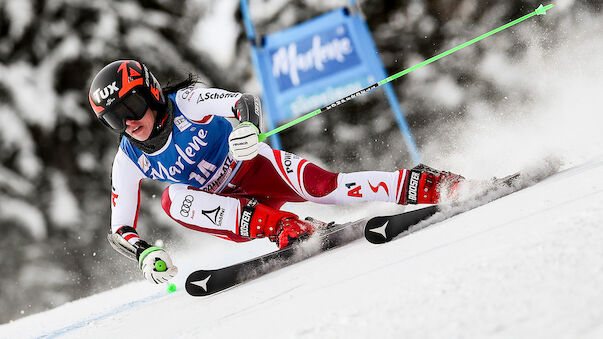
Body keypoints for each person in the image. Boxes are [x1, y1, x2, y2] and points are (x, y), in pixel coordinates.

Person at [88, 60, 464, 284]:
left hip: (255, 168)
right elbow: (120, 228)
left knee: (324, 187)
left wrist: (249, 128)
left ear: (152, 93)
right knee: (173, 200)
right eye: (114, 120)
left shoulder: (186, 102)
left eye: (132, 107)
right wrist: (144, 253)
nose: (128, 123)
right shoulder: (128, 159)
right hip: (233, 211)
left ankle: (428, 184)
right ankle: (286, 228)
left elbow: (244, 103)